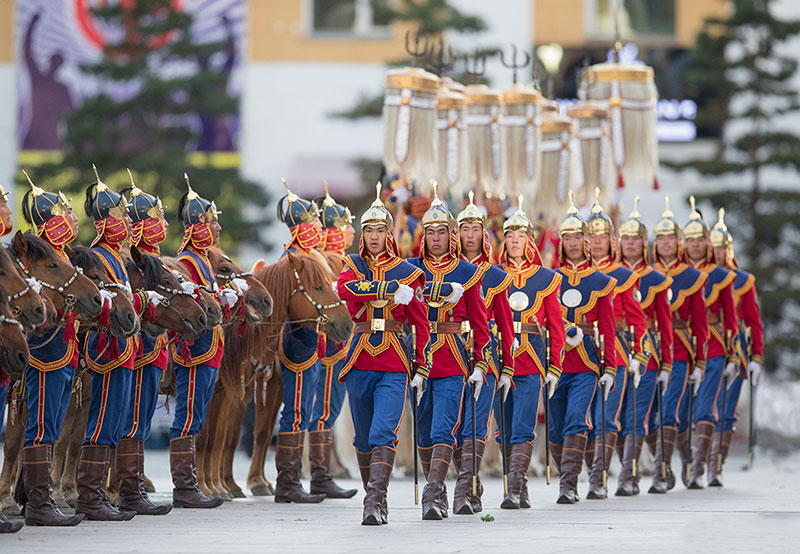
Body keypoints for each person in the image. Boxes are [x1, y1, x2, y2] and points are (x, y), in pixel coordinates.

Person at [337, 184, 429, 525]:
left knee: (383, 432)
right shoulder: (352, 264)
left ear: (389, 234)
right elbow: (346, 289)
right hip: (359, 358)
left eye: (379, 230)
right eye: (369, 231)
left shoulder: (408, 272)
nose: (374, 237)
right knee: (363, 439)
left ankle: (374, 502)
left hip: (393, 360)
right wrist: (388, 288)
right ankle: (373, 494)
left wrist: (422, 364)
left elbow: (421, 324)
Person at [407, 185, 492, 521]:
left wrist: (481, 363)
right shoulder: (410, 269)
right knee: (424, 429)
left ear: (451, 235)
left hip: (453, 357)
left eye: (442, 232)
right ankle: (440, 490)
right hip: (418, 358)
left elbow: (481, 324)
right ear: (424, 236)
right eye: (431, 233)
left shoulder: (468, 272)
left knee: (445, 427)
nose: (436, 239)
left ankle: (432, 494)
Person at [16, 176, 86, 528]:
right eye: (65, 213)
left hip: (63, 348)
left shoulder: (60, 255)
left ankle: (33, 497)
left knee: (52, 425)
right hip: (45, 349)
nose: (72, 218)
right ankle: (39, 503)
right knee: (42, 426)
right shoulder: (38, 258)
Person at [78, 169, 138, 521]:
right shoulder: (96, 256)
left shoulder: (117, 255)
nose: (128, 221)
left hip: (124, 347)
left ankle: (101, 493)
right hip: (106, 346)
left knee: (114, 422)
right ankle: (89, 496)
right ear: (105, 221)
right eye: (121, 215)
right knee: (101, 421)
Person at [496, 199, 564, 509]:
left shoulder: (545, 277)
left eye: (520, 236)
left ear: (529, 241)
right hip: (500, 359)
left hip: (531, 358)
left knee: (523, 425)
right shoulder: (493, 275)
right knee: (504, 428)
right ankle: (519, 486)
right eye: (510, 236)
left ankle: (513, 489)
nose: (514, 241)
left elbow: (556, 327)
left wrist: (554, 366)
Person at [551, 192, 617, 505]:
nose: (573, 243)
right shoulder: (550, 278)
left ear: (586, 241)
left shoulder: (601, 280)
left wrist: (610, 366)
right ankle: (570, 473)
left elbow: (608, 327)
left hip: (587, 362)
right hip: (555, 362)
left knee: (577, 419)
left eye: (578, 237)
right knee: (555, 428)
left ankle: (569, 484)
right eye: (568, 238)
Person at [584, 189, 649, 500]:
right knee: (582, 418)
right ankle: (589, 472)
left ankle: (600, 478)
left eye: (602, 237)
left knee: (607, 417)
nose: (596, 242)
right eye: (591, 237)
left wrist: (640, 355)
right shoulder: (573, 274)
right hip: (581, 353)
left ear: (611, 240)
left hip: (617, 351)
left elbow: (638, 321)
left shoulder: (624, 276)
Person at [453, 192, 515, 514]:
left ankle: (464, 491)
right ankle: (471, 484)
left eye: (475, 229)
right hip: (450, 352)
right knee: (452, 425)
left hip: (486, 355)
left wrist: (508, 368)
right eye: (464, 229)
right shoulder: (447, 270)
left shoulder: (495, 275)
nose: (470, 235)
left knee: (475, 423)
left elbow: (505, 323)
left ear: (484, 234)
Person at [116, 178, 173, 515]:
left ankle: (133, 485)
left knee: (141, 420)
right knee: (130, 418)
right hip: (136, 348)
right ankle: (125, 488)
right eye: (156, 217)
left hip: (153, 346)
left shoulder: (151, 256)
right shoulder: (128, 258)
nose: (163, 223)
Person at [169, 177, 226, 509]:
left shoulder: (205, 259)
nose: (216, 228)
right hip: (194, 349)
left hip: (210, 347)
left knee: (197, 416)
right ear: (195, 227)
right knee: (188, 415)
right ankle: (184, 487)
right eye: (210, 222)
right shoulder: (187, 262)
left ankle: (190, 484)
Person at [649, 196, 708, 494]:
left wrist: (700, 361)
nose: (665, 243)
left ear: (678, 242)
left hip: (680, 350)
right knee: (650, 413)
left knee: (673, 410)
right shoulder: (645, 274)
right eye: (660, 238)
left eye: (670, 238)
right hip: (649, 349)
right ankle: (671, 464)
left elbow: (700, 324)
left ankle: (663, 471)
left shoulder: (692, 277)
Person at [273, 180, 327, 504]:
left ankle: (293, 481)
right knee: (294, 412)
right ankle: (287, 483)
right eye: (314, 222)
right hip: (298, 340)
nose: (318, 227)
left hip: (312, 341)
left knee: (304, 411)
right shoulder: (292, 260)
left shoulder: (308, 256)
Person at [680, 197, 738, 489]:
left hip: (713, 347)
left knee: (704, 408)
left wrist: (734, 356)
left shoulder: (721, 276)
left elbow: (731, 319)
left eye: (700, 240)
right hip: (680, 345)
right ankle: (684, 462)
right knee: (678, 412)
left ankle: (698, 468)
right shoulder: (673, 274)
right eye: (689, 240)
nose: (695, 246)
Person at [617, 197, 673, 496]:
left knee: (638, 415)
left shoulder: (656, 279)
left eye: (635, 239)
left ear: (644, 244)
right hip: (614, 349)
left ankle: (629, 476)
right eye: (625, 238)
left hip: (646, 352)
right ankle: (633, 469)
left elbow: (664, 324)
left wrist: (666, 363)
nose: (629, 244)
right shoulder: (609, 275)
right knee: (616, 416)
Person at [308, 185, 357, 499]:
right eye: (345, 225)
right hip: (330, 347)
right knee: (325, 410)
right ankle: (320, 476)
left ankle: (323, 473)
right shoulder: (328, 262)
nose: (351, 230)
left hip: (339, 347)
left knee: (330, 410)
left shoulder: (337, 260)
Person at [707, 208, 762, 487]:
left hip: (734, 349)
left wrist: (757, 357)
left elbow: (753, 321)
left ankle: (716, 464)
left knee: (726, 409)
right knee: (703, 408)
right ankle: (698, 460)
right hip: (702, 347)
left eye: (721, 248)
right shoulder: (698, 277)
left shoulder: (743, 281)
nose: (717, 253)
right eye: (713, 248)